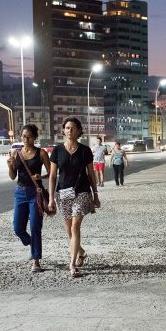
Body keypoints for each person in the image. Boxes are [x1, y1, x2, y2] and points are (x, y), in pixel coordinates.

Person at [47, 117, 101, 278]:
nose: (70, 130)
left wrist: (95, 195)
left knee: (75, 226)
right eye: (67, 128)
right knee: (69, 230)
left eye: (73, 128)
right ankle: (81, 251)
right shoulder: (57, 151)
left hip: (82, 192)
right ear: (63, 130)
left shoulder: (85, 151)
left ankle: (72, 264)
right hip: (63, 193)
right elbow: (52, 177)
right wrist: (50, 198)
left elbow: (91, 174)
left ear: (79, 131)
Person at [6, 124, 51, 273]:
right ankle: (32, 243)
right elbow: (13, 177)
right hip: (20, 193)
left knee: (35, 227)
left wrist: (41, 176)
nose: (25, 139)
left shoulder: (41, 153)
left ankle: (36, 260)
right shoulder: (15, 153)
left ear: (35, 137)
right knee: (18, 228)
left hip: (35, 193)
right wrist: (10, 166)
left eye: (29, 136)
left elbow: (52, 173)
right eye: (23, 136)